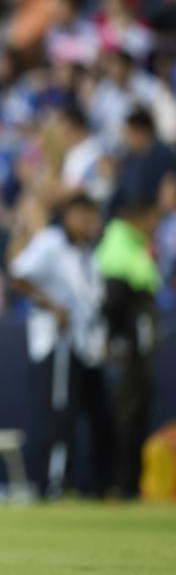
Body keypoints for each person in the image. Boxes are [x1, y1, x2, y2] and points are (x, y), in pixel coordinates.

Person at [10, 195, 113, 498]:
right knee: (59, 413)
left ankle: (99, 484)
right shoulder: (51, 243)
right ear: (68, 216)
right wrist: (52, 306)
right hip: (58, 343)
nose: (89, 224)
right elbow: (17, 276)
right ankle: (52, 483)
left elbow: (92, 301)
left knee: (97, 414)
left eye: (93, 218)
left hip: (85, 342)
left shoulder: (89, 251)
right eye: (83, 217)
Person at [97, 201, 164, 498]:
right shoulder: (119, 244)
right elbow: (113, 300)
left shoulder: (135, 245)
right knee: (125, 410)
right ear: (137, 218)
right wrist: (117, 338)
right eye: (151, 219)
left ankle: (131, 482)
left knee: (134, 410)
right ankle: (121, 484)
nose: (154, 225)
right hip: (128, 345)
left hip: (138, 343)